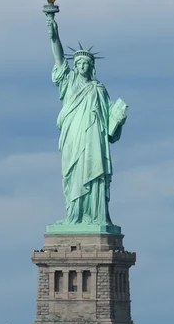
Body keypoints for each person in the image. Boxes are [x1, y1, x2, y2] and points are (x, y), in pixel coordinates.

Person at [46, 16, 126, 227]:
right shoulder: (69, 81)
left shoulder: (98, 89)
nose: (81, 66)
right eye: (78, 63)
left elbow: (110, 119)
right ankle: (74, 216)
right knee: (73, 175)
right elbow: (59, 57)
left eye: (85, 63)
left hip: (93, 139)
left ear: (91, 67)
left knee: (93, 171)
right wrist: (54, 33)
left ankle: (95, 215)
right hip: (73, 135)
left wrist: (118, 118)